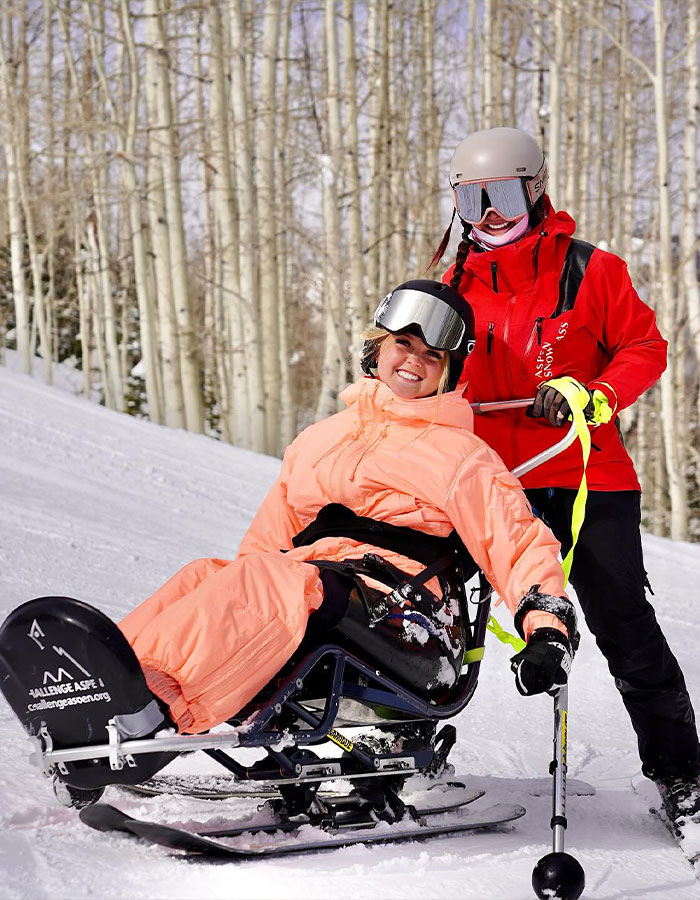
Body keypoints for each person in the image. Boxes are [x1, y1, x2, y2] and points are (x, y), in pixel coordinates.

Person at [119, 280, 577, 737]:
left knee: (275, 581)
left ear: (448, 373)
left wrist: (548, 629)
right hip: (314, 593)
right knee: (204, 575)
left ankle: (150, 711)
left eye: (433, 355)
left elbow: (516, 542)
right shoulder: (318, 441)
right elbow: (262, 549)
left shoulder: (462, 456)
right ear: (378, 348)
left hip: (405, 618)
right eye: (404, 343)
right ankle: (107, 687)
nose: (414, 360)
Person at [431, 125, 700, 823]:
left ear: (537, 189)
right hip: (491, 480)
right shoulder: (451, 282)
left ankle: (681, 774)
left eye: (504, 196)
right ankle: (407, 752)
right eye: (472, 199)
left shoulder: (591, 270)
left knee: (622, 621)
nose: (489, 215)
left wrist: (594, 392)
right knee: (432, 608)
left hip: (588, 477)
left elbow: (645, 344)